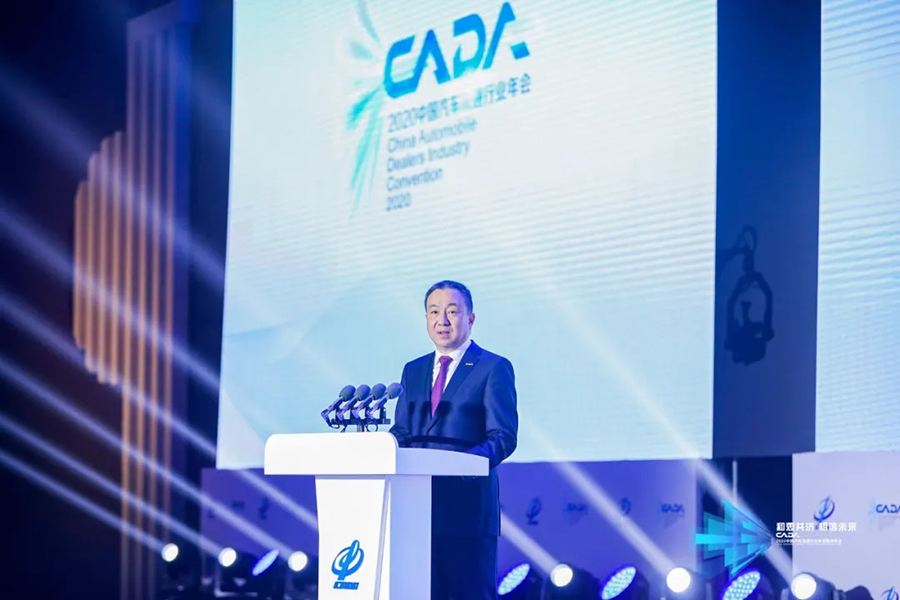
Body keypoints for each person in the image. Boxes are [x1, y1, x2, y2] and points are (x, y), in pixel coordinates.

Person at [390, 280, 518, 600]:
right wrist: (379, 449)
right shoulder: (413, 370)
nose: (442, 320)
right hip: (417, 513)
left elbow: (502, 436)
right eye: (434, 312)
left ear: (470, 318)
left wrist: (458, 466)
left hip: (467, 515)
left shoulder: (493, 367)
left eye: (452, 311)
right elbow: (403, 431)